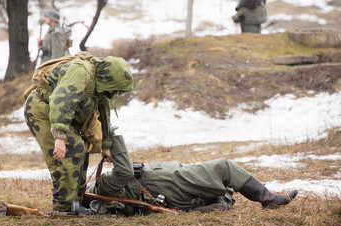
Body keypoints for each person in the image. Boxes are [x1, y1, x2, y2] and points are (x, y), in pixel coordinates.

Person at [24, 51, 134, 212]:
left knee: (81, 151)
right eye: (113, 90)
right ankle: (63, 208)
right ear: (108, 78)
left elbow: (103, 113)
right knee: (69, 152)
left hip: (58, 115)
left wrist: (105, 145)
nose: (113, 94)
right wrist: (59, 138)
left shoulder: (101, 85)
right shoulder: (80, 72)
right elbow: (61, 101)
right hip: (42, 111)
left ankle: (77, 203)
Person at [85, 134, 298, 214]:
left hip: (172, 179)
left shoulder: (105, 184)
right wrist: (112, 141)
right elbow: (125, 172)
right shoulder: (102, 187)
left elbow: (125, 171)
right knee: (223, 167)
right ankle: (269, 200)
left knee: (220, 191)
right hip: (171, 183)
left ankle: (210, 204)